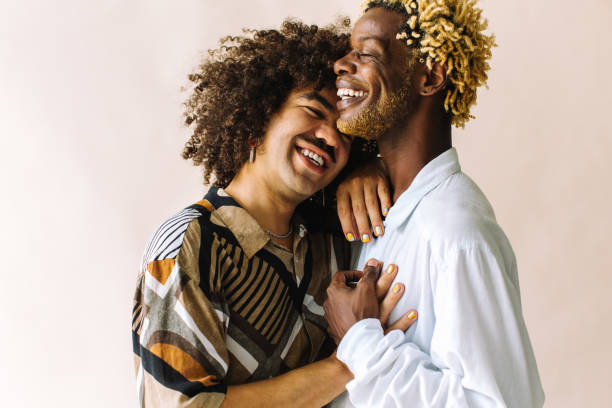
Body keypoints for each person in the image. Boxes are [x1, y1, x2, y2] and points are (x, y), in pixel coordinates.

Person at [131, 19, 415, 408]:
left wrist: (373, 167)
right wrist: (346, 364)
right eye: (313, 111)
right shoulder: (188, 246)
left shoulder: (331, 240)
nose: (330, 137)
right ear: (259, 117)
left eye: (346, 133)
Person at [324, 1, 545, 407]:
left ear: (429, 76)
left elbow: (493, 402)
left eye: (367, 52)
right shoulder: (376, 207)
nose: (341, 63)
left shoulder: (458, 233)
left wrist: (360, 340)